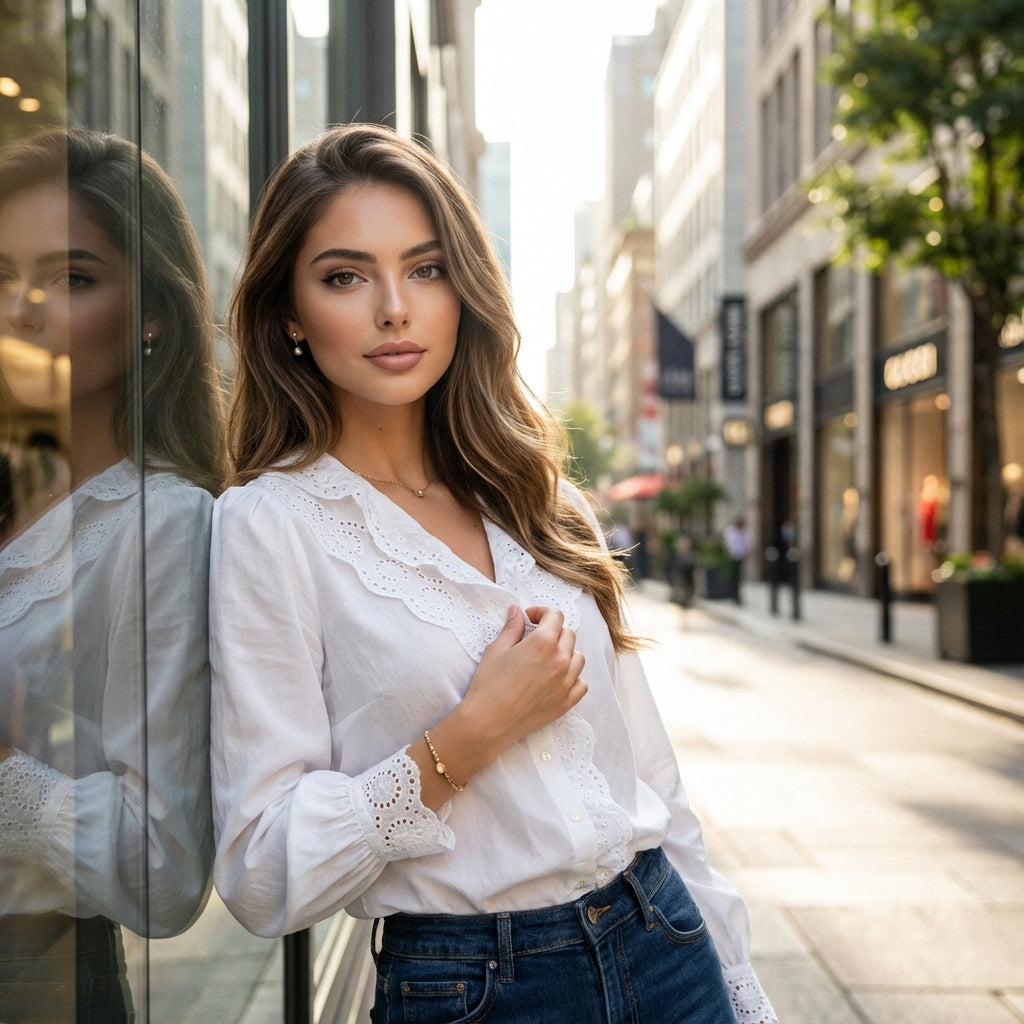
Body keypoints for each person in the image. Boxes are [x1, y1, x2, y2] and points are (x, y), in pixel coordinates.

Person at [210, 123, 777, 1024]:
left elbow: (656, 787)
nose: (394, 308)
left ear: (463, 292)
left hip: (663, 940)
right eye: (345, 276)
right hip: (476, 987)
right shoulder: (270, 527)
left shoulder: (539, 496)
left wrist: (740, 991)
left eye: (426, 269)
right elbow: (260, 870)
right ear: (288, 313)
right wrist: (466, 738)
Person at [0, 128, 225, 1021]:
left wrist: (9, 773)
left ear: (152, 316)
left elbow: (163, 870)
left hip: (33, 978)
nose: (21, 306)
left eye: (71, 278)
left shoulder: (161, 526)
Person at [722, 516, 750, 605]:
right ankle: (734, 596)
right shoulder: (731, 531)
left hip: (740, 557)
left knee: (738, 577)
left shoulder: (743, 531)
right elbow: (730, 544)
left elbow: (746, 542)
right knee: (733, 577)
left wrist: (745, 551)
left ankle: (737, 596)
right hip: (732, 557)